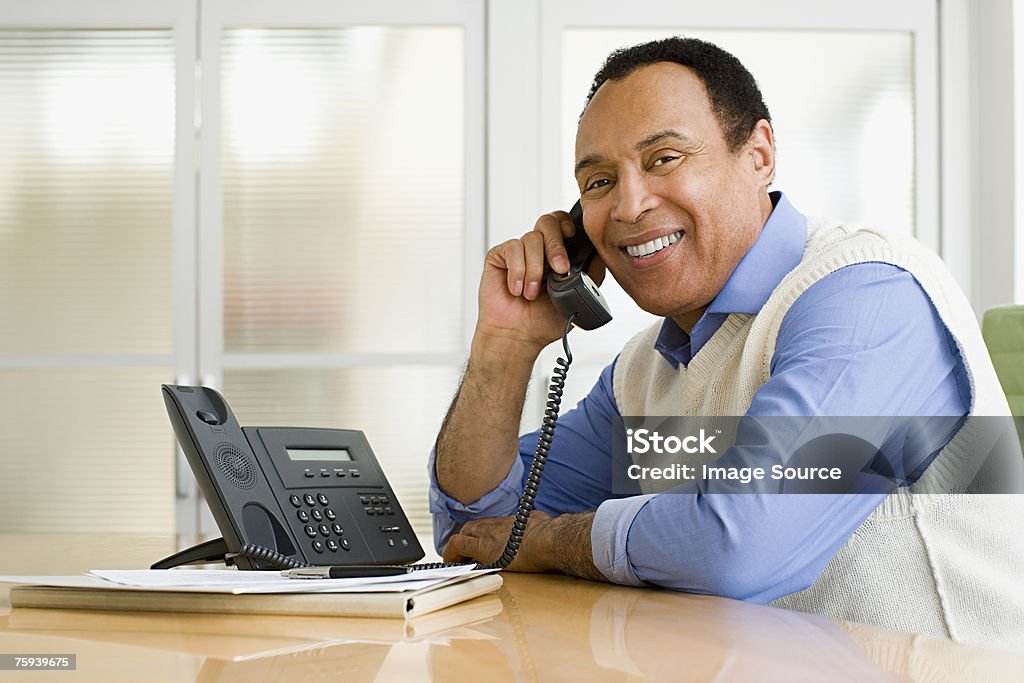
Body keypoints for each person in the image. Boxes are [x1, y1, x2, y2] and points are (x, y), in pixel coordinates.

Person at [429, 37, 1024, 646]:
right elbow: (474, 529)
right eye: (600, 181)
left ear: (760, 155)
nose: (630, 206)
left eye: (664, 158)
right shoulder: (646, 372)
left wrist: (554, 541)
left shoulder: (868, 295)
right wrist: (504, 347)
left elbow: (739, 544)